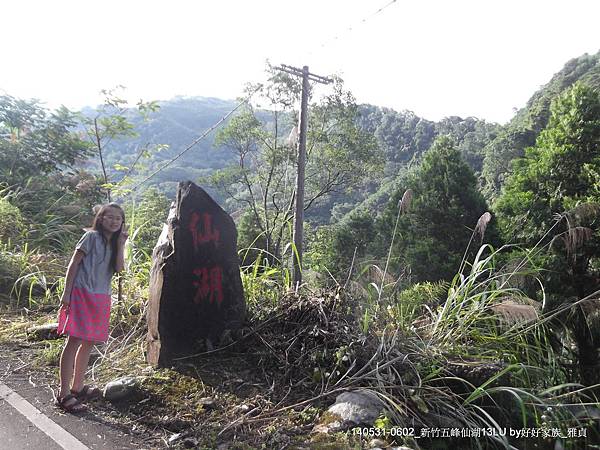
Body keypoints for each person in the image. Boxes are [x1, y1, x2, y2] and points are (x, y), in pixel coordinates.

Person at [55, 203, 128, 413]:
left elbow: (119, 269)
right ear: (101, 218)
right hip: (81, 292)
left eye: (118, 218)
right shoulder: (91, 237)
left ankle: (77, 387)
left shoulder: (115, 243)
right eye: (110, 217)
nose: (114, 221)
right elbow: (73, 264)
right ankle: (63, 393)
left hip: (101, 296)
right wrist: (66, 293)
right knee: (74, 340)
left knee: (89, 341)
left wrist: (121, 244)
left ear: (122, 222)